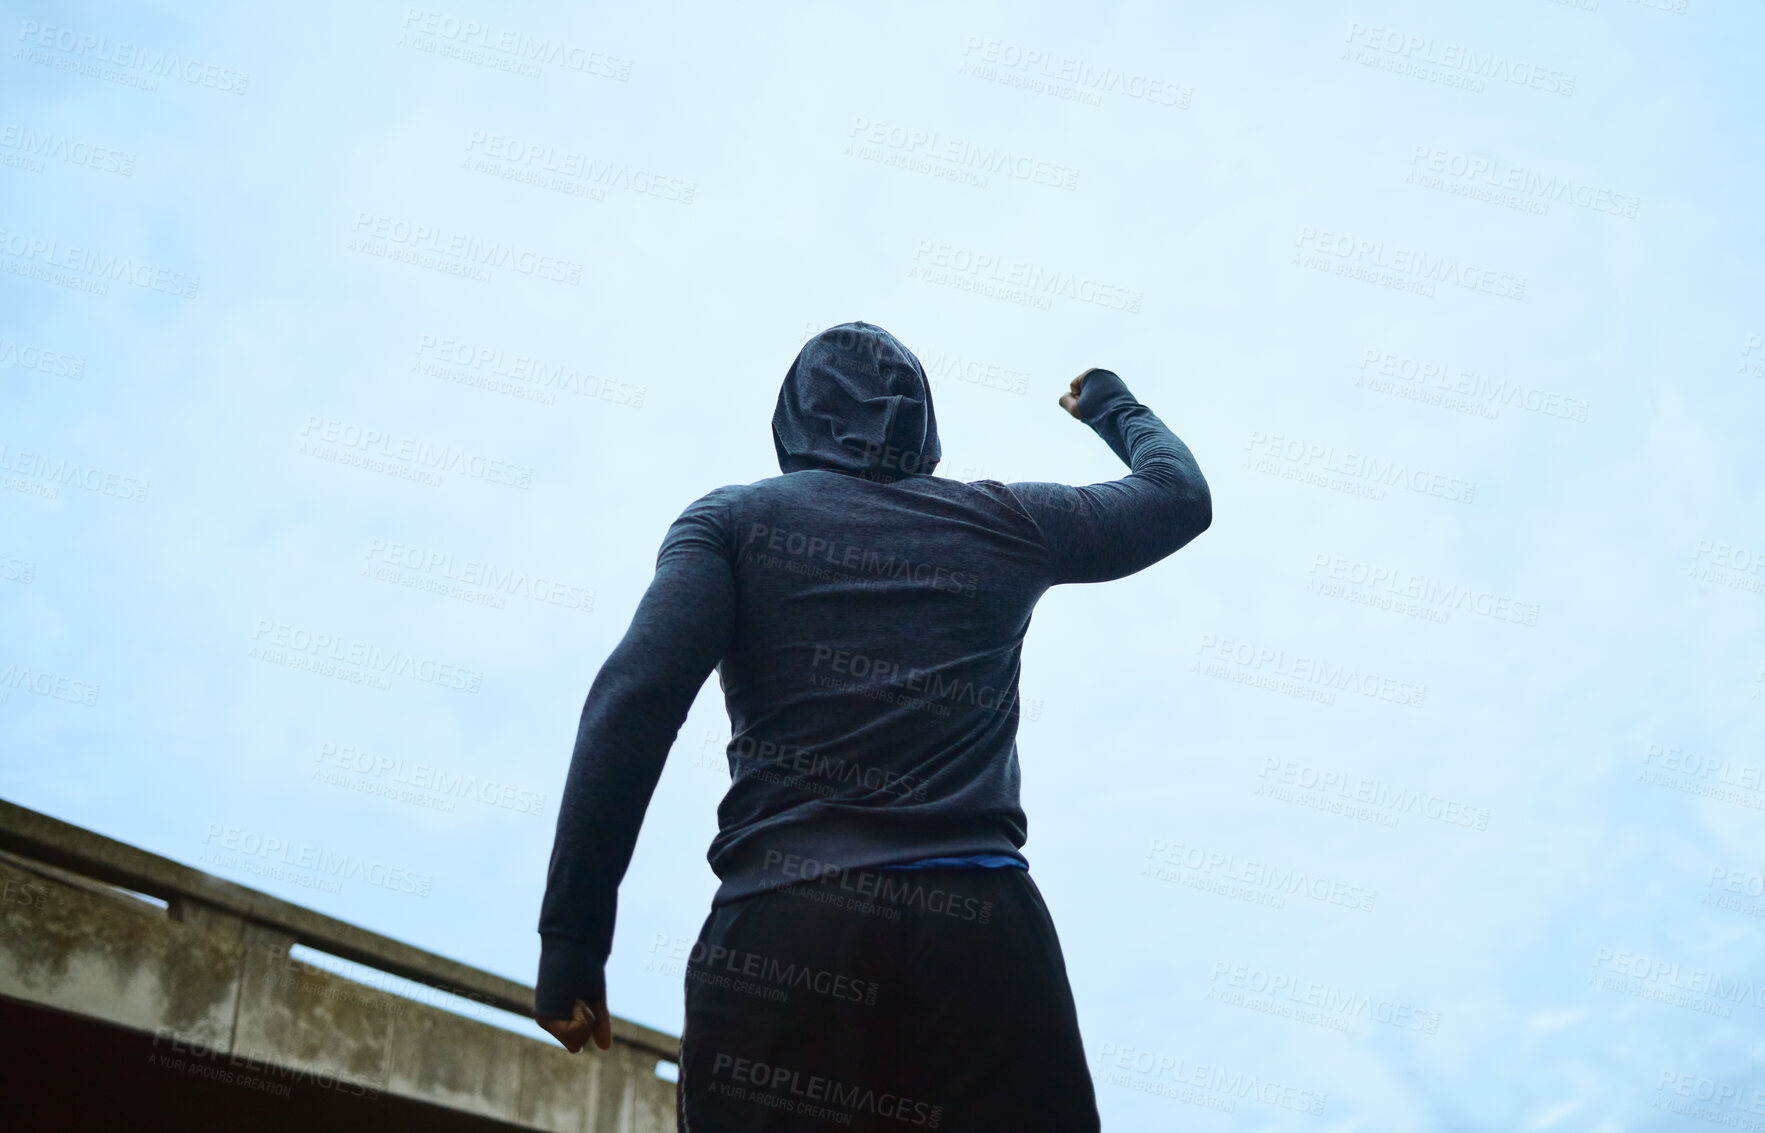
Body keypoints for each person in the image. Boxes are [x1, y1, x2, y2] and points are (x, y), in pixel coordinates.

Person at [535, 321, 1211, 1130]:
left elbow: (633, 703)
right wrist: (1111, 404)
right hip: (982, 939)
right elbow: (1177, 497)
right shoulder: (1003, 522)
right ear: (923, 426)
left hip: (785, 929)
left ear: (790, 420)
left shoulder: (734, 524)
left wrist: (573, 936)